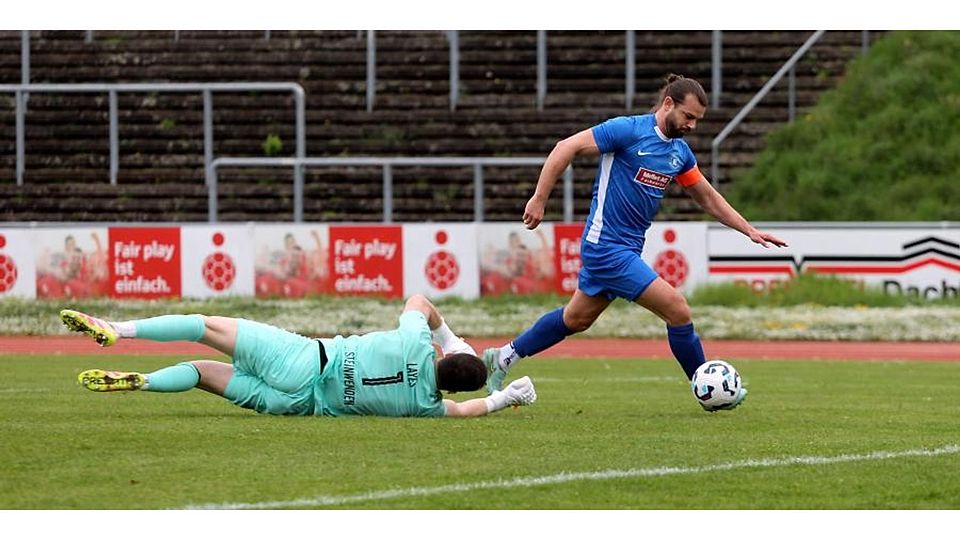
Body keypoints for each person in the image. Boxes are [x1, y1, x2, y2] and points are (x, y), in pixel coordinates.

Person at [481, 74, 788, 411]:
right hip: (605, 247)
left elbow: (708, 198)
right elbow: (564, 148)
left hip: (625, 249)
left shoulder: (679, 155)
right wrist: (539, 199)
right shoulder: (627, 131)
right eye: (688, 117)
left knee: (576, 319)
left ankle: (502, 358)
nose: (692, 126)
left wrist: (749, 230)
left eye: (697, 120)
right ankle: (707, 390)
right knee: (678, 309)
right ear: (668, 104)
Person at [62, 294, 537, 418]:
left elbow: (419, 302)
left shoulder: (416, 340)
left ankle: (118, 329)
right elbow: (467, 409)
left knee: (204, 328)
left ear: (439, 355)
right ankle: (144, 382)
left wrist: (453, 338)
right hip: (298, 406)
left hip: (306, 359)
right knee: (201, 373)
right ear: (448, 385)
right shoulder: (428, 407)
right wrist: (508, 397)